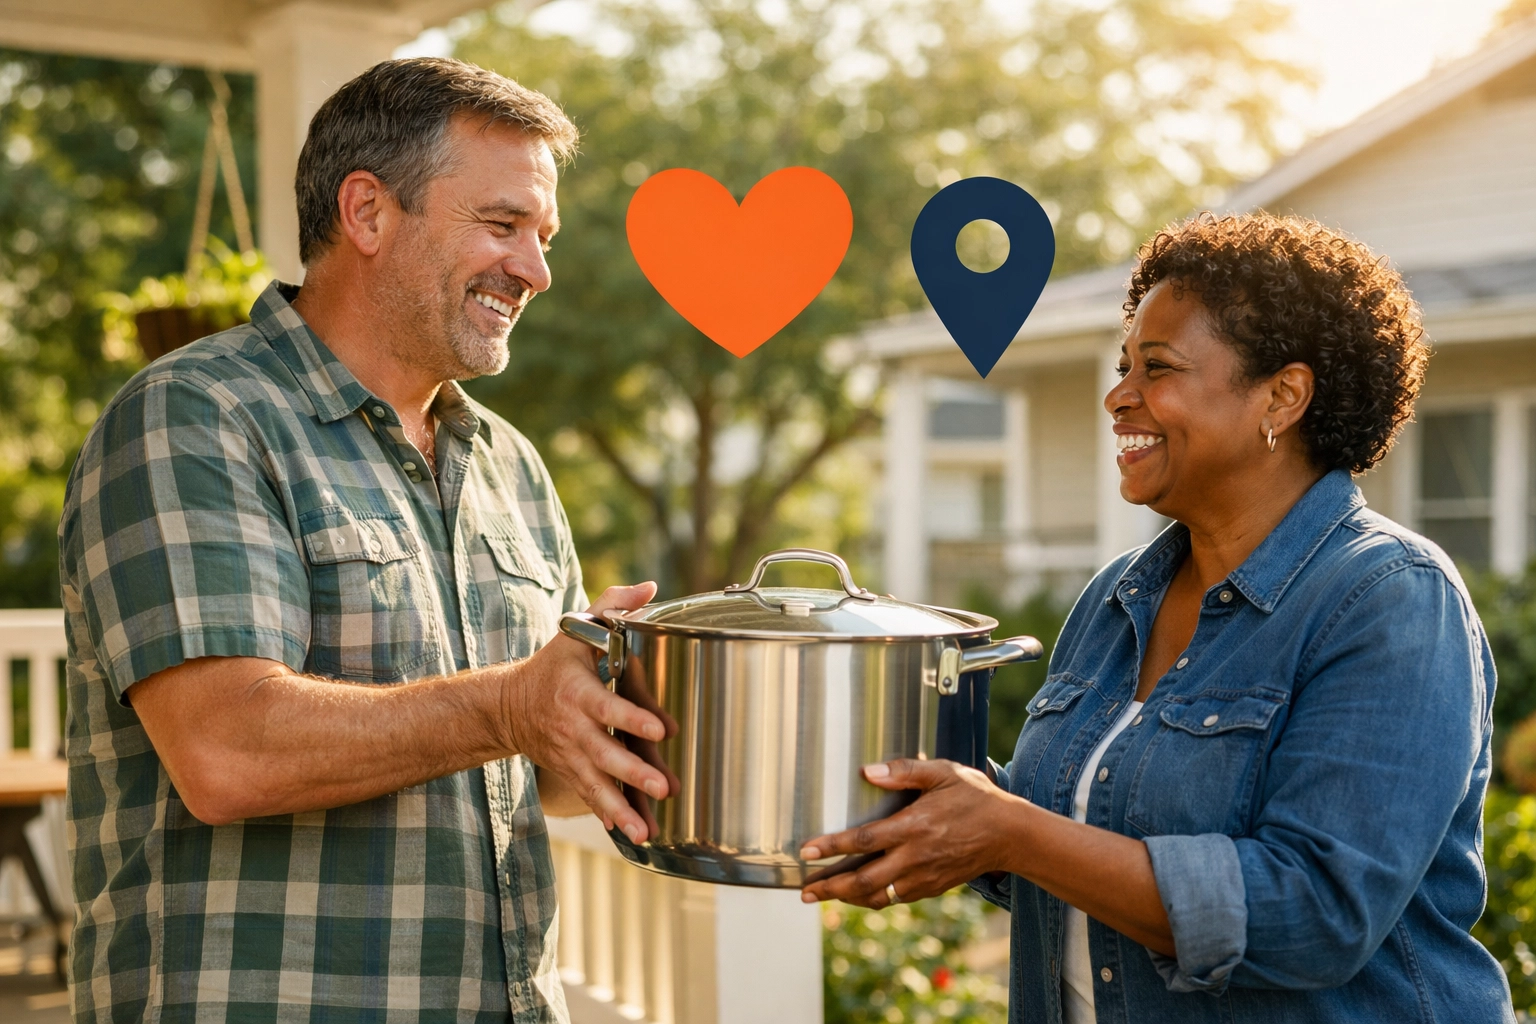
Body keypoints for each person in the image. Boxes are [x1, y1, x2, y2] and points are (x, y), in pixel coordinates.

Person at [59, 58, 668, 1024]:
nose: (537, 271)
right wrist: (515, 703)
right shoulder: (195, 417)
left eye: (542, 237)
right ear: (369, 213)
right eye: (503, 225)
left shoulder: (509, 466)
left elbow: (542, 776)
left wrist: (650, 711)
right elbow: (225, 752)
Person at [798, 212, 1516, 1021]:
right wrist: (925, 810)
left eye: (1158, 367)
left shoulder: (1387, 596)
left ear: (1283, 395)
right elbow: (1069, 831)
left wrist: (1010, 834)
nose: (1118, 396)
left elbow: (1314, 914)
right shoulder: (1117, 598)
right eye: (1122, 366)